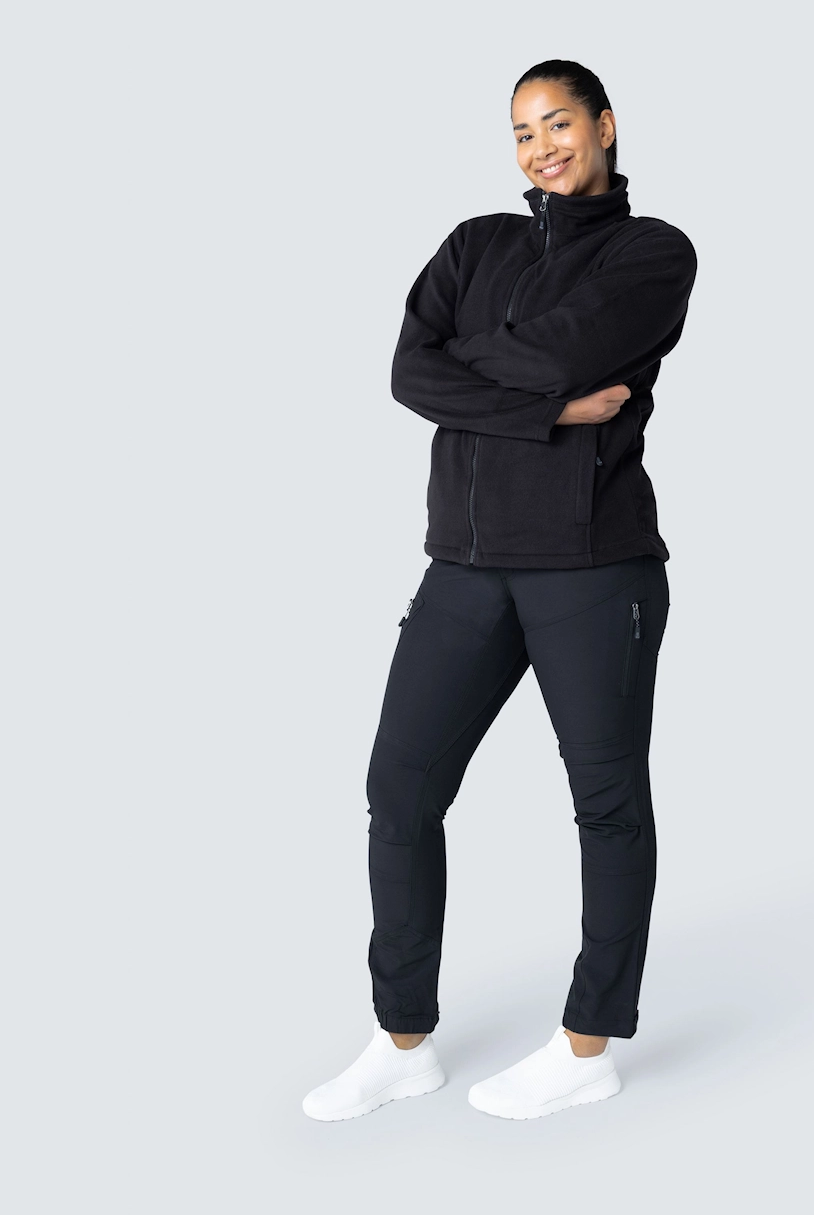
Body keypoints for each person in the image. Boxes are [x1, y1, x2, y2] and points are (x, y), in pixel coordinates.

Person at [302, 59, 698, 1122]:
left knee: (606, 804)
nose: (540, 149)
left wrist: (473, 368)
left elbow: (562, 349)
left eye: (557, 124)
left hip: (594, 568)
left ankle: (587, 1045)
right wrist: (550, 411)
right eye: (522, 133)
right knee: (400, 790)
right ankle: (402, 1040)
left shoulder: (652, 252)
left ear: (604, 125)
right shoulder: (475, 243)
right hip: (465, 566)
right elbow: (408, 372)